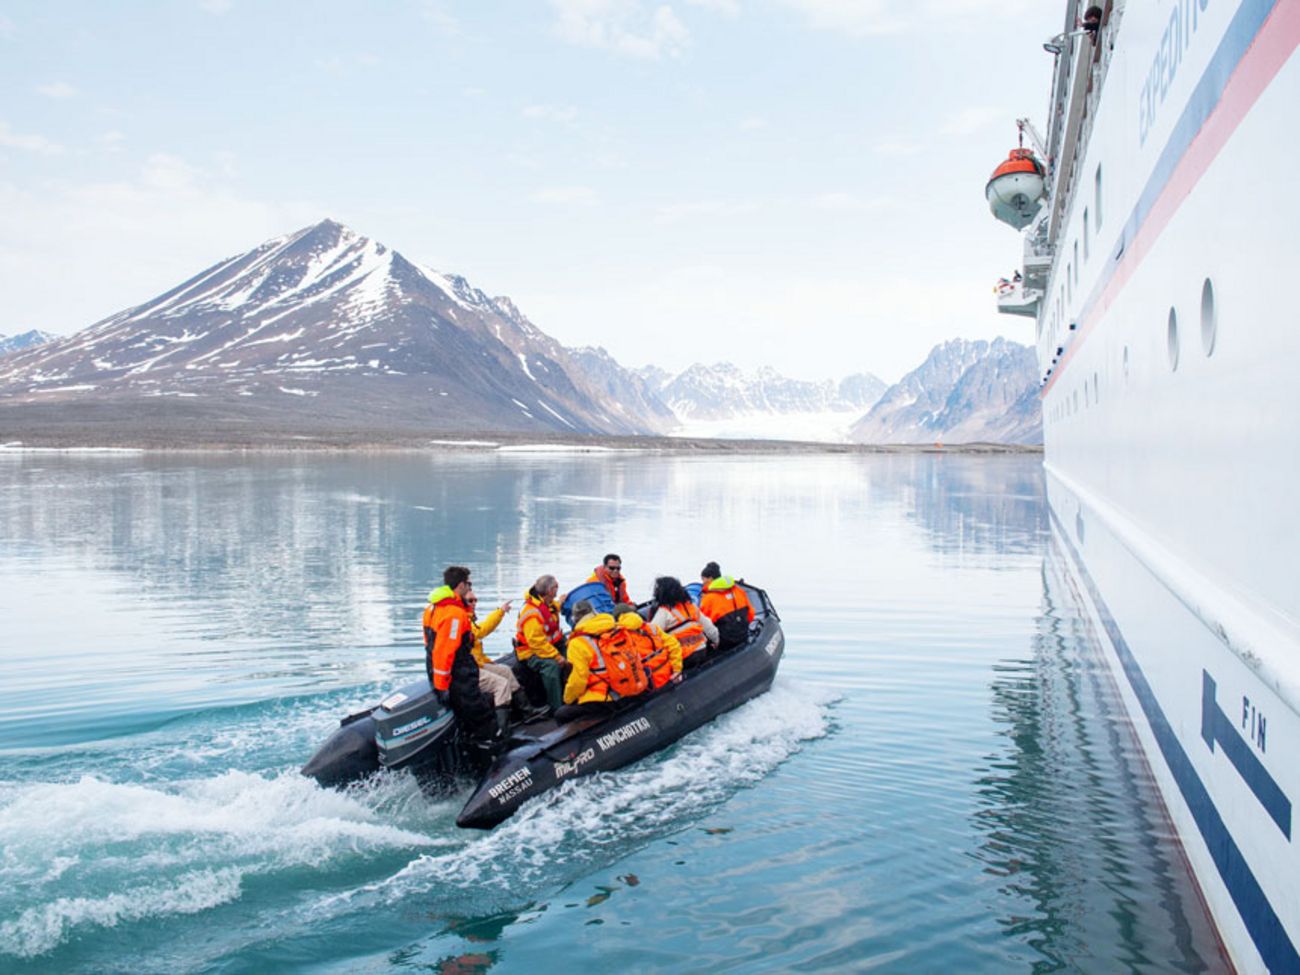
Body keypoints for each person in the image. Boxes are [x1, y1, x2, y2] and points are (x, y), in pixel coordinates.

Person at [423, 566, 498, 743]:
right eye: (469, 584)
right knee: (478, 712)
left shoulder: (432, 608)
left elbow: (430, 643)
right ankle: (490, 744)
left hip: (436, 667)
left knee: (465, 711)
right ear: (461, 585)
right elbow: (445, 650)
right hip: (458, 671)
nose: (470, 587)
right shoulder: (454, 614)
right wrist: (442, 686)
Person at [557, 600, 650, 722]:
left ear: (575, 619)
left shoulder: (577, 643)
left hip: (606, 699)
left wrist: (568, 699)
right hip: (633, 688)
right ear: (594, 612)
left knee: (561, 714)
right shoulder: (617, 628)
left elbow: (578, 679)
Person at [466, 592, 547, 722]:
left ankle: (527, 711)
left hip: (478, 663)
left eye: (475, 600)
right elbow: (480, 632)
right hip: (471, 668)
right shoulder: (463, 620)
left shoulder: (469, 619)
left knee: (506, 671)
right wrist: (500, 612)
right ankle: (502, 729)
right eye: (470, 600)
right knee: (501, 684)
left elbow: (476, 643)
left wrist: (486, 661)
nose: (474, 603)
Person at [515, 574, 568, 713]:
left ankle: (571, 695)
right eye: (556, 587)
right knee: (551, 667)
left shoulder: (546, 603)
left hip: (549, 646)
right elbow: (536, 643)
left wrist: (561, 602)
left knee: (574, 654)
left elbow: (552, 609)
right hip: (530, 653)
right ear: (550, 590)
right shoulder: (531, 613)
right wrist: (557, 657)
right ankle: (556, 706)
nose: (557, 590)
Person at [650, 576, 717, 670]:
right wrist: (716, 642)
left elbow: (652, 636)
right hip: (702, 651)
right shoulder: (691, 607)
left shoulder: (663, 612)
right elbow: (709, 627)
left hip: (683, 658)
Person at [612, 601, 681, 690]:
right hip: (670, 677)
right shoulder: (651, 627)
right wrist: (677, 669)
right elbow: (674, 645)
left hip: (649, 687)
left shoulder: (618, 639)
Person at [699, 561, 755, 652]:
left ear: (710, 579)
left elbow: (703, 626)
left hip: (724, 642)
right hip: (743, 635)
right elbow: (751, 614)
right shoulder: (738, 590)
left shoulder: (708, 599)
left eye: (703, 579)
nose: (703, 582)